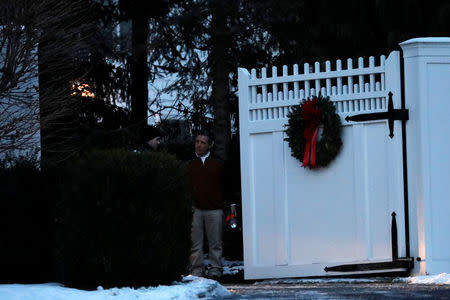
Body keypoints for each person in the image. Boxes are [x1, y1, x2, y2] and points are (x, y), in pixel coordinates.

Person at [187, 132, 225, 279]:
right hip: (195, 208)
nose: (199, 145)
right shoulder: (189, 163)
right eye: (197, 141)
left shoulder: (218, 163)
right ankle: (197, 269)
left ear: (210, 145)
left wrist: (230, 202)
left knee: (215, 242)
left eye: (203, 142)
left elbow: (226, 184)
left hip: (214, 208)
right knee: (195, 243)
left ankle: (215, 269)